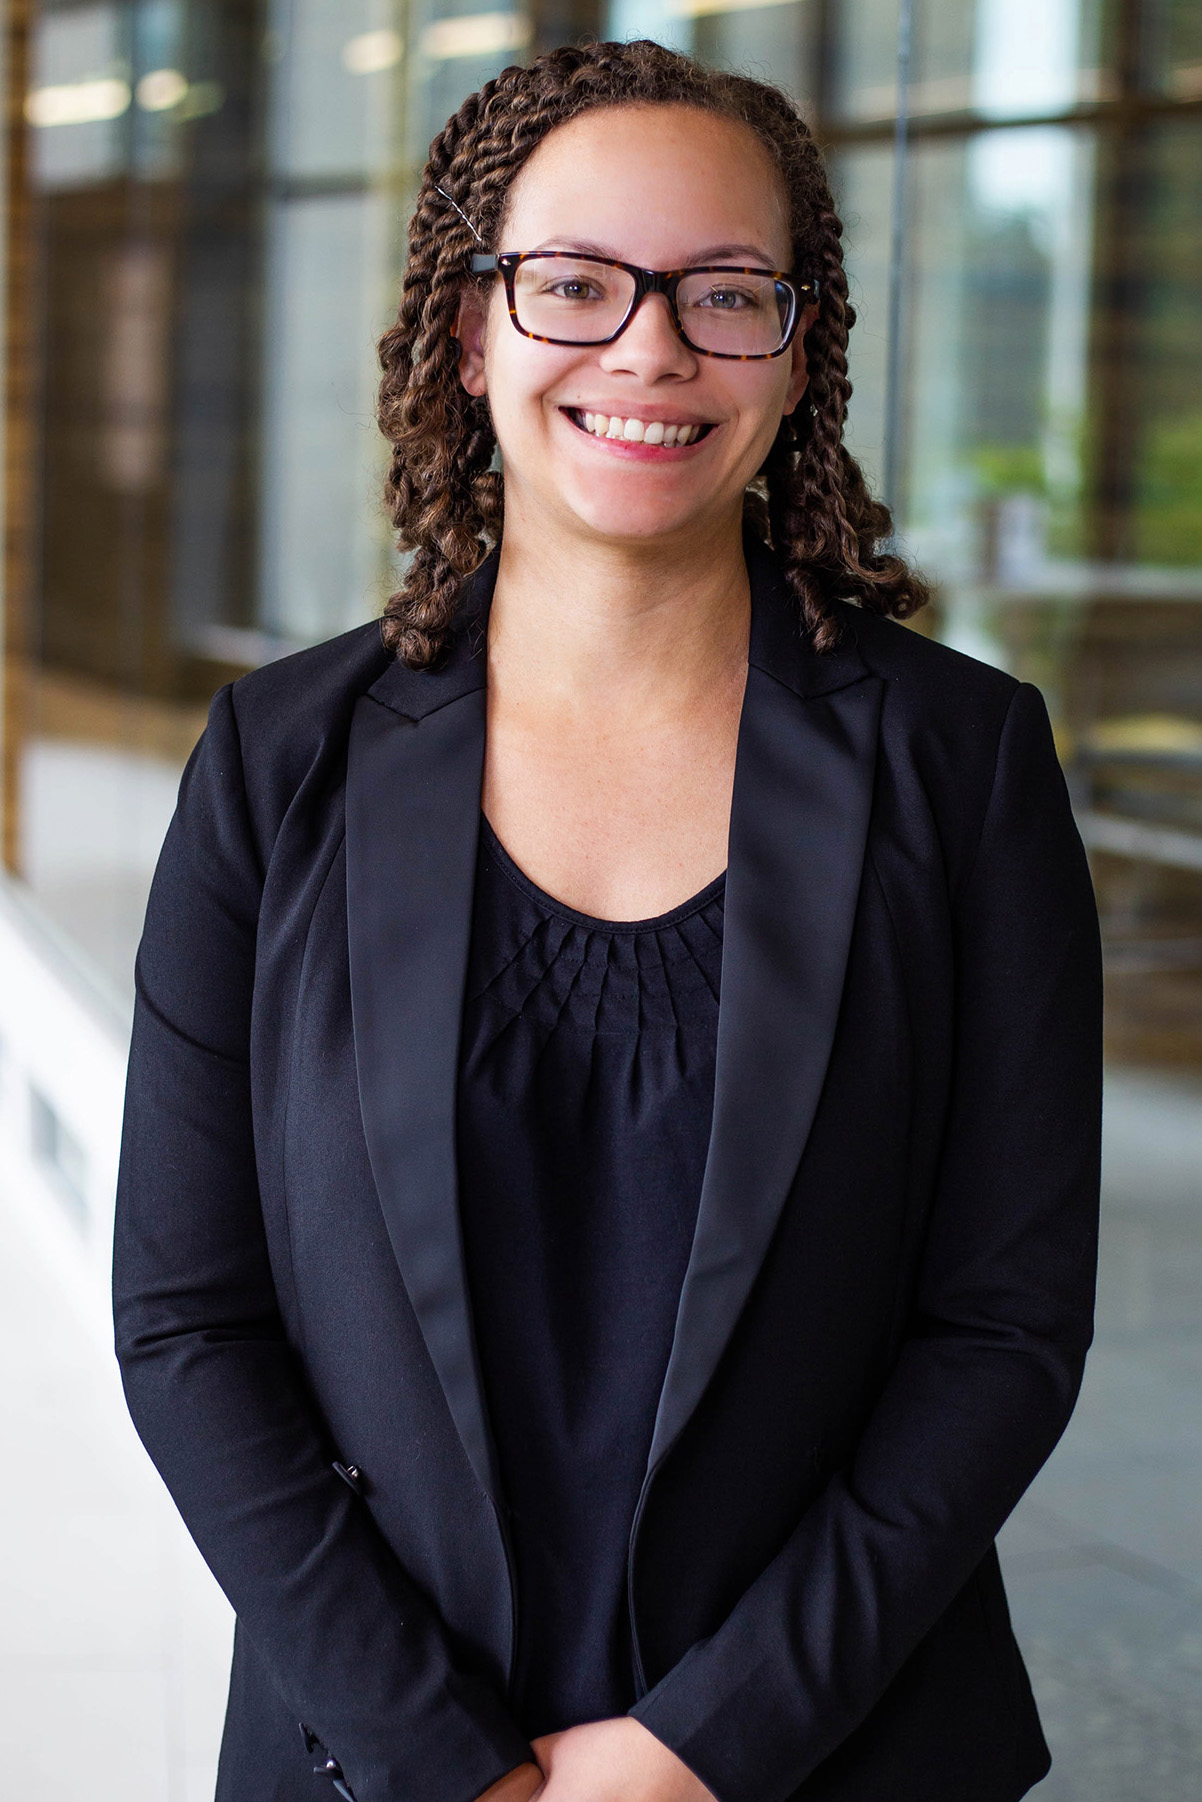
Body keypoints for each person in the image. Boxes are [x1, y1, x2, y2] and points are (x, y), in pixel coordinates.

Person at [112, 36, 1103, 1802]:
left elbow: (1002, 1325)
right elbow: (192, 1320)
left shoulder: (963, 763)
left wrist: (698, 1750)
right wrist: (445, 1753)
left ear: (798, 358)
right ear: (470, 327)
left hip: (839, 1748)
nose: (648, 346)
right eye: (575, 283)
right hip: (375, 1763)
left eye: (726, 293)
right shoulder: (281, 763)